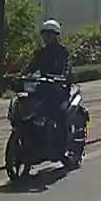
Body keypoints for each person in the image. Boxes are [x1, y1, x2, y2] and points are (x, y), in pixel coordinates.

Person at [29, 19, 73, 151]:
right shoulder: (40, 53)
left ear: (56, 36)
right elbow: (31, 67)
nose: (47, 37)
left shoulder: (63, 52)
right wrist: (19, 75)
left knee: (58, 112)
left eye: (50, 34)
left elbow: (67, 68)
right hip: (43, 87)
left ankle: (62, 145)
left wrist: (62, 77)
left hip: (59, 88)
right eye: (45, 34)